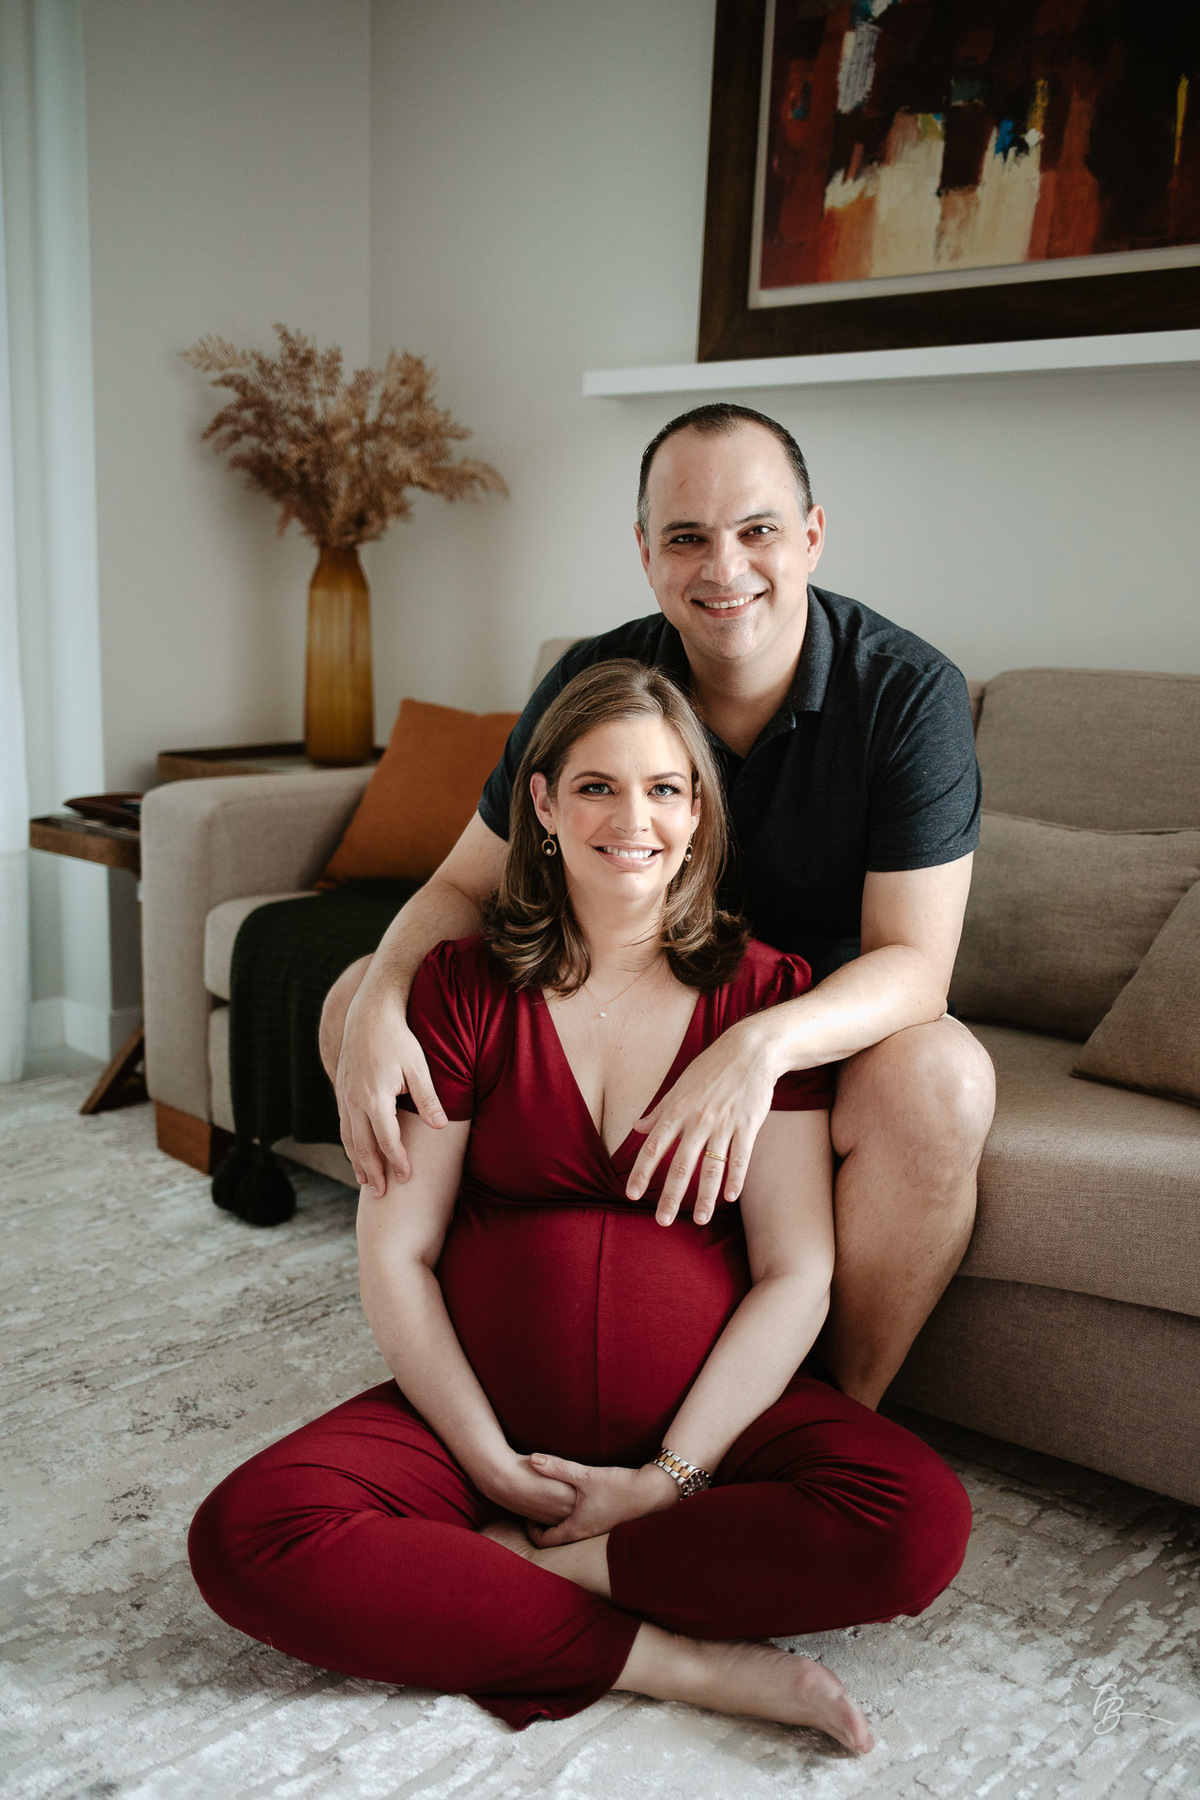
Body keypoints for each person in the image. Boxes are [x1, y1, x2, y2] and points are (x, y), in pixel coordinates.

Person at [190, 661, 972, 1748]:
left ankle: (527, 1572)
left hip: (702, 1439)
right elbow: (399, 1255)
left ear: (699, 815)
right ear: (544, 806)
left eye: (664, 789)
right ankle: (674, 1661)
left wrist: (668, 1481)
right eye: (597, 787)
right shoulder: (463, 989)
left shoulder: (767, 996)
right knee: (249, 1535)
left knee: (918, 1527)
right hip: (481, 1424)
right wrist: (483, 1462)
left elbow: (798, 1270)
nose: (633, 818)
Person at [321, 402, 995, 1409]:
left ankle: (833, 1411)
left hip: (806, 1025)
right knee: (350, 1003)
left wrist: (757, 1049)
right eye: (686, 537)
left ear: (811, 535)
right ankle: (487, 1358)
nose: (723, 568)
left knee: (944, 1079)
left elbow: (917, 970)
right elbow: (466, 884)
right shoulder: (594, 678)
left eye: (758, 530)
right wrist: (377, 999)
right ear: (646, 554)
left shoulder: (907, 694)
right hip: (614, 986)